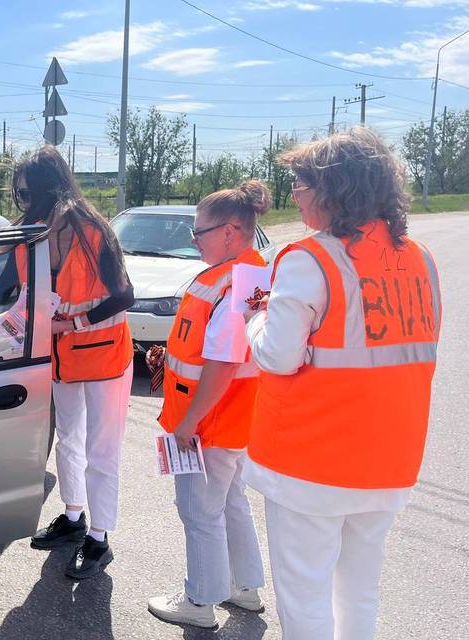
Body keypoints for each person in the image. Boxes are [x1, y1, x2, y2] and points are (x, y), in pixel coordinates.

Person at [243, 127, 442, 640]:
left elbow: (277, 358)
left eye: (302, 184)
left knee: (304, 592)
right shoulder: (421, 259)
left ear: (336, 190)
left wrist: (256, 322)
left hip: (312, 461)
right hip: (388, 459)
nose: (294, 195)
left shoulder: (311, 258)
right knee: (359, 588)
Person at [0, 145, 134, 579]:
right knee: (68, 442)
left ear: (45, 188)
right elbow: (4, 294)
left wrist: (70, 324)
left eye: (24, 192)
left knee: (101, 451)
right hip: (59, 360)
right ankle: (74, 518)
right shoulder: (32, 234)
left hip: (104, 356)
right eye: (18, 194)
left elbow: (124, 296)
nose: (21, 201)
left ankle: (99, 537)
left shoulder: (91, 229)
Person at [144, 181, 268, 629]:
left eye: (200, 231)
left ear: (232, 231)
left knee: (199, 510)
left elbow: (222, 362)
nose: (193, 239)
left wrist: (188, 422)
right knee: (231, 501)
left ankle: (199, 601)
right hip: (234, 418)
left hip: (207, 422)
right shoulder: (251, 273)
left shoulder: (232, 280)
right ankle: (244, 587)